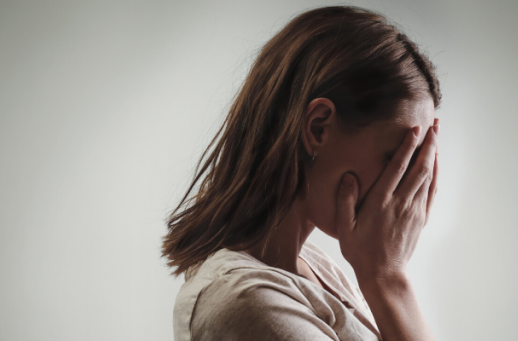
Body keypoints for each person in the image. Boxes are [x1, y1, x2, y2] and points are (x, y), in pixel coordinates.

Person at [162, 6, 441, 341]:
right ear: (318, 127)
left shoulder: (312, 266)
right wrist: (388, 278)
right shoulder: (248, 302)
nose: (407, 191)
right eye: (396, 158)